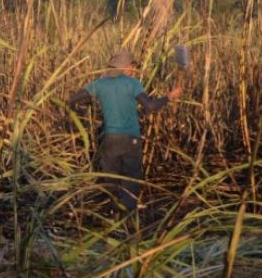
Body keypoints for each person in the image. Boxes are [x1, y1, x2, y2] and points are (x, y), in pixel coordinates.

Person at [68, 49, 182, 213]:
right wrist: (169, 97)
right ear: (128, 66)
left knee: (112, 181)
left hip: (110, 140)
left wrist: (72, 113)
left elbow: (72, 99)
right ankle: (128, 219)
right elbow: (150, 107)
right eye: (133, 67)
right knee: (130, 179)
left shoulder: (99, 83)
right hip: (130, 140)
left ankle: (115, 216)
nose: (133, 71)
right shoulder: (132, 83)